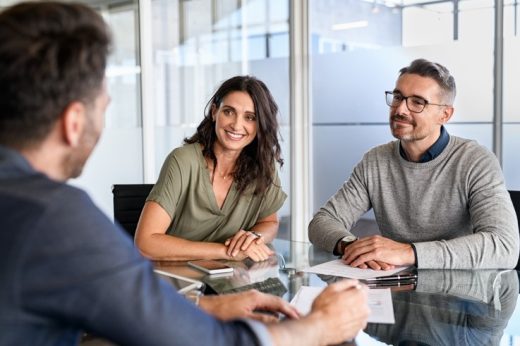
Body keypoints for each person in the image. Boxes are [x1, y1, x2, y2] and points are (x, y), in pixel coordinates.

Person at [0, 2, 370, 345]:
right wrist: (318, 325)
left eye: (250, 117)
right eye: (104, 105)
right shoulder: (55, 219)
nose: (237, 124)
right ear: (74, 122)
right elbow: (207, 341)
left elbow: (113, 307)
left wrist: (206, 306)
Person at [309, 58, 519, 270]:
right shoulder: (375, 161)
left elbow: (503, 246)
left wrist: (408, 252)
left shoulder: (475, 161)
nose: (400, 109)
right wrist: (351, 246)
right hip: (394, 289)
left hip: (462, 295)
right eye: (398, 97)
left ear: (444, 114)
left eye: (418, 102)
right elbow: (322, 222)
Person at [135, 76, 286, 262]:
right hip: (173, 279)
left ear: (260, 123)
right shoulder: (183, 161)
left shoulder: (264, 165)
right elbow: (145, 243)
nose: (237, 125)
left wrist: (253, 238)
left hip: (228, 280)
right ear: (215, 112)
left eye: (250, 117)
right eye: (229, 112)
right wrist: (225, 252)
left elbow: (269, 222)